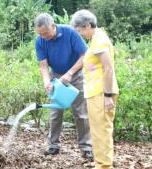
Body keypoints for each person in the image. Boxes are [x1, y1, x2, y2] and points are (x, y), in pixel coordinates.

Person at [34, 13, 93, 159]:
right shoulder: (40, 40)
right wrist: (46, 81)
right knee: (55, 112)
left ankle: (86, 147)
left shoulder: (70, 33)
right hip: (56, 77)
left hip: (76, 74)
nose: (43, 36)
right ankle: (53, 145)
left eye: (45, 33)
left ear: (53, 26)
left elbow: (85, 55)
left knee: (81, 113)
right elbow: (43, 65)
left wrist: (70, 73)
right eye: (40, 33)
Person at [70, 10, 119, 169]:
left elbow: (108, 68)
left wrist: (107, 95)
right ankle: (102, 164)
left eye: (80, 30)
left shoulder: (99, 40)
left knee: (101, 132)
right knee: (98, 132)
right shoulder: (97, 38)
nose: (80, 34)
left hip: (100, 92)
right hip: (96, 92)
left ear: (88, 25)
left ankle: (104, 166)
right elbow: (98, 65)